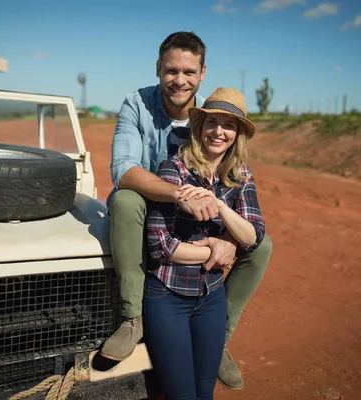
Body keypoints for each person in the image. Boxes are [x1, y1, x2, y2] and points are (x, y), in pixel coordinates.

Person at [102, 31, 273, 390]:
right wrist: (178, 195)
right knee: (124, 199)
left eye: (189, 72)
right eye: (171, 70)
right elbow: (123, 169)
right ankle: (133, 317)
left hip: (196, 215)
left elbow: (227, 185)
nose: (179, 80)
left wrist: (226, 238)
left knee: (263, 246)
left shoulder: (213, 117)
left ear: (202, 73)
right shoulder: (137, 104)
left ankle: (217, 336)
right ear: (158, 69)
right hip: (155, 197)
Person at [143, 86, 265, 399]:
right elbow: (160, 246)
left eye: (229, 125)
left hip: (211, 297)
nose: (219, 131)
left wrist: (220, 205)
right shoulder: (174, 169)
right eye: (212, 122)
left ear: (236, 134)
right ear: (199, 126)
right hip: (168, 296)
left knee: (204, 393)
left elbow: (253, 236)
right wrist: (214, 249)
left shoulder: (240, 174)